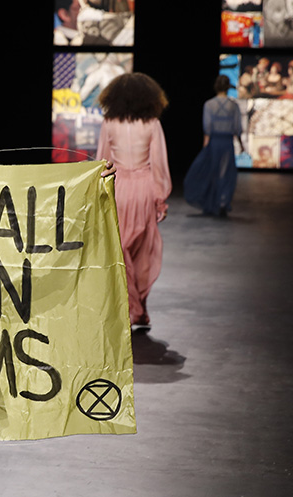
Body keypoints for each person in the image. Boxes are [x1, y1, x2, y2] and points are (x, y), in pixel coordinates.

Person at [95, 72, 172, 330]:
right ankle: (137, 307)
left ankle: (131, 308)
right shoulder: (152, 124)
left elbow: (102, 160)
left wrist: (99, 191)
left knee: (120, 247)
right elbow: (159, 163)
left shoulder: (109, 122)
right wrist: (160, 198)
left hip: (118, 187)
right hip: (143, 187)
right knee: (140, 251)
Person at [183, 75, 244, 217]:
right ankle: (222, 202)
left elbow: (207, 127)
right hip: (227, 142)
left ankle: (212, 203)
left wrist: (205, 146)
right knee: (225, 173)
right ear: (228, 87)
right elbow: (237, 127)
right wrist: (241, 144)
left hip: (214, 142)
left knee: (211, 172)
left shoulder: (209, 104)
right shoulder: (233, 105)